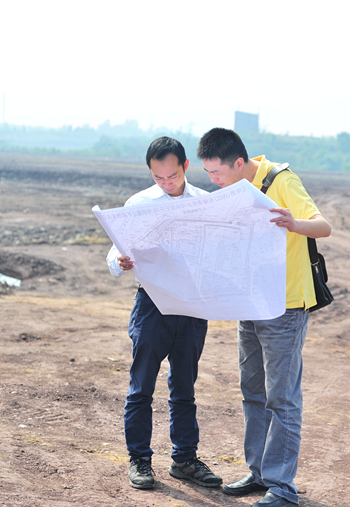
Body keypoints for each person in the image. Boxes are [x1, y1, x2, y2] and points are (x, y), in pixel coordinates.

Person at [196, 128, 332, 507]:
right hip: (250, 302)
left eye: (217, 172)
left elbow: (323, 226)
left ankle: (282, 487)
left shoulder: (282, 181)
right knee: (253, 392)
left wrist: (294, 224)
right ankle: (259, 474)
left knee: (282, 397)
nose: (213, 180)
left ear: (239, 163)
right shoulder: (234, 189)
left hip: (284, 306)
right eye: (208, 173)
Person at [106, 136, 222, 490]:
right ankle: (139, 460)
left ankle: (184, 459)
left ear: (185, 166)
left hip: (191, 305)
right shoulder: (139, 203)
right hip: (152, 305)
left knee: (184, 387)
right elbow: (114, 253)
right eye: (158, 177)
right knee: (141, 387)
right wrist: (120, 261)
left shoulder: (206, 203)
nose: (166, 183)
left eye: (172, 175)